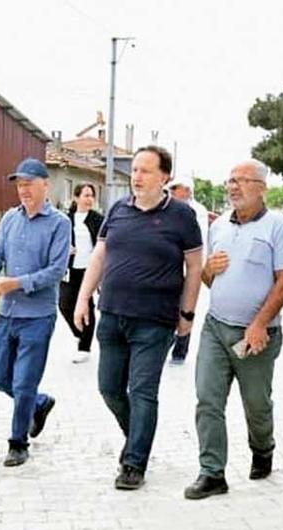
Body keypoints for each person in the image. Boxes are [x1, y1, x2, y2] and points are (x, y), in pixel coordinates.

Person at [74, 145, 203, 490]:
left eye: (145, 171)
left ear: (164, 177)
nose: (137, 177)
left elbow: (194, 268)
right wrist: (83, 297)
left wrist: (187, 313)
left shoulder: (181, 216)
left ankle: (134, 463)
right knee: (109, 388)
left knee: (142, 390)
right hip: (112, 315)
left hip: (155, 320)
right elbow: (99, 256)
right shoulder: (117, 209)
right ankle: (137, 437)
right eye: (134, 170)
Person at [184, 160, 283, 500]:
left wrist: (260, 324)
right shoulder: (218, 226)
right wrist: (208, 268)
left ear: (261, 187)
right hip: (215, 329)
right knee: (208, 400)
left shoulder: (279, 226)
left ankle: (263, 449)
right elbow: (207, 280)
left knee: (256, 405)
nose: (233, 187)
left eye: (242, 181)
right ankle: (212, 472)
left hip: (256, 336)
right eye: (230, 181)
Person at [0, 158, 70, 465]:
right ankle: (39, 404)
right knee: (1, 378)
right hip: (7, 315)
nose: (23, 190)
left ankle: (18, 443)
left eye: (29, 184)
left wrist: (16, 283)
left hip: (38, 318)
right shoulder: (9, 220)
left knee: (23, 383)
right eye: (19, 185)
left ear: (46, 185)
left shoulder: (59, 224)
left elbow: (56, 271)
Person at [165, 177, 210, 364]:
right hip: (171, 267)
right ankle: (167, 342)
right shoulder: (168, 207)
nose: (172, 191)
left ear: (186, 190)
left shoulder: (196, 211)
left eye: (175, 188)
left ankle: (180, 349)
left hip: (191, 266)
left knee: (187, 308)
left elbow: (198, 242)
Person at [58, 183, 102, 363]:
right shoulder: (64, 219)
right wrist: (64, 249)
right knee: (65, 304)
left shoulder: (98, 219)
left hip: (89, 269)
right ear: (76, 198)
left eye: (92, 195)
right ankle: (80, 333)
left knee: (86, 305)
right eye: (86, 195)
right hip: (69, 269)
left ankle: (84, 347)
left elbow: (104, 244)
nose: (89, 199)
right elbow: (54, 242)